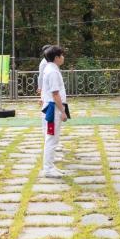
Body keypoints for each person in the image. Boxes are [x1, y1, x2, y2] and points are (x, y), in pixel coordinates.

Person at [41, 45, 69, 178]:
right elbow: (55, 94)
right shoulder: (52, 71)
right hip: (53, 108)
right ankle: (47, 168)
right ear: (56, 57)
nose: (63, 57)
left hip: (54, 106)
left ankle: (50, 165)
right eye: (61, 55)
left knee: (54, 138)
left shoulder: (52, 69)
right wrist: (63, 111)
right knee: (51, 139)